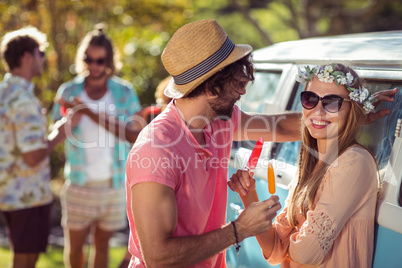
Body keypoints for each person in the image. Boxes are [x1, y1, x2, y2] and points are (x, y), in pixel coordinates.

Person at [228, 63, 385, 267]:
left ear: (352, 108)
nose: (318, 111)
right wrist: (250, 197)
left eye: (332, 102)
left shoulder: (353, 161)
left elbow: (305, 254)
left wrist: (286, 243)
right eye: (310, 99)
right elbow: (275, 252)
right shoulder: (309, 162)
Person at [50, 25, 143, 268]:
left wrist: (90, 113)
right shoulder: (69, 91)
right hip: (79, 182)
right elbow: (53, 133)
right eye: (88, 59)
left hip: (112, 184)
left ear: (109, 61)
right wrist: (69, 120)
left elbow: (135, 135)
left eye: (100, 60)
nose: (94, 65)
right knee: (75, 248)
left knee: (102, 246)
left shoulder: (124, 92)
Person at [0, 26, 77, 268]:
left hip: (11, 193)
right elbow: (33, 156)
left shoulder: (5, 92)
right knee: (24, 263)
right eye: (40, 52)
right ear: (26, 57)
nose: (44, 58)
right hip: (27, 197)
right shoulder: (22, 99)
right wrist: (58, 135)